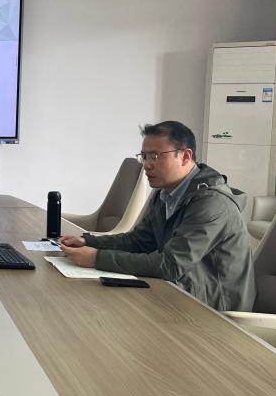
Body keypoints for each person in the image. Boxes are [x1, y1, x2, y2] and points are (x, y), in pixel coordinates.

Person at [57, 120, 256, 312]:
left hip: (214, 308)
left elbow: (171, 265)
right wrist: (88, 241)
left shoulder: (211, 203)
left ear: (185, 156)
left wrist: (97, 258)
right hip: (179, 291)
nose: (147, 165)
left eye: (155, 156)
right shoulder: (165, 193)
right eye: (144, 156)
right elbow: (139, 241)